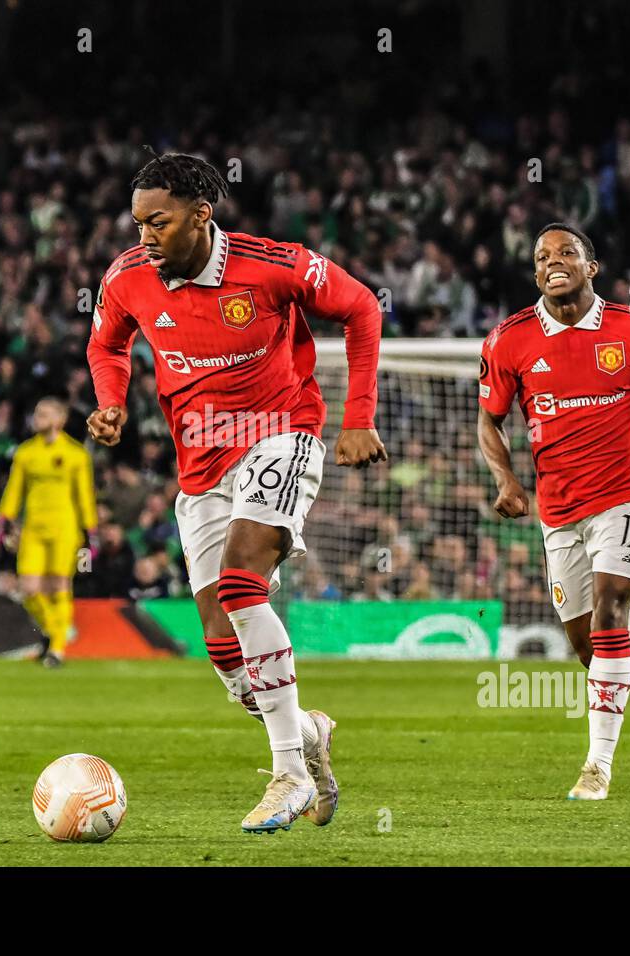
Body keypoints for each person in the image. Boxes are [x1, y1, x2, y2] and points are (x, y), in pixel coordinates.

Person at [86, 150, 385, 833]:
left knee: (242, 585)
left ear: (201, 214)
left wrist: (358, 417)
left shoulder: (274, 266)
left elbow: (361, 308)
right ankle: (308, 731)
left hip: (282, 432)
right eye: (137, 224)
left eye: (157, 222)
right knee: (225, 651)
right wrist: (110, 400)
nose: (144, 237)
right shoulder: (128, 277)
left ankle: (290, 774)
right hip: (201, 463)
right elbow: (105, 345)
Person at [477, 223, 630, 800]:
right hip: (559, 510)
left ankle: (597, 768)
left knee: (611, 610)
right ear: (535, 273)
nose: (553, 261)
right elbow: (490, 419)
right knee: (588, 646)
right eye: (542, 256)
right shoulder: (508, 340)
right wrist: (506, 478)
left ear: (592, 267)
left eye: (566, 253)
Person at [0, 397, 98, 668]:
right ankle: (55, 632)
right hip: (33, 527)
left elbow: (84, 494)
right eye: (36, 413)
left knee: (58, 586)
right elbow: (15, 488)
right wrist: (5, 518)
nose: (36, 418)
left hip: (65, 527)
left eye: (44, 413)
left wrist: (90, 529)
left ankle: (56, 649)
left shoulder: (76, 454)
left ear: (59, 420)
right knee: (28, 588)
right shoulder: (25, 453)